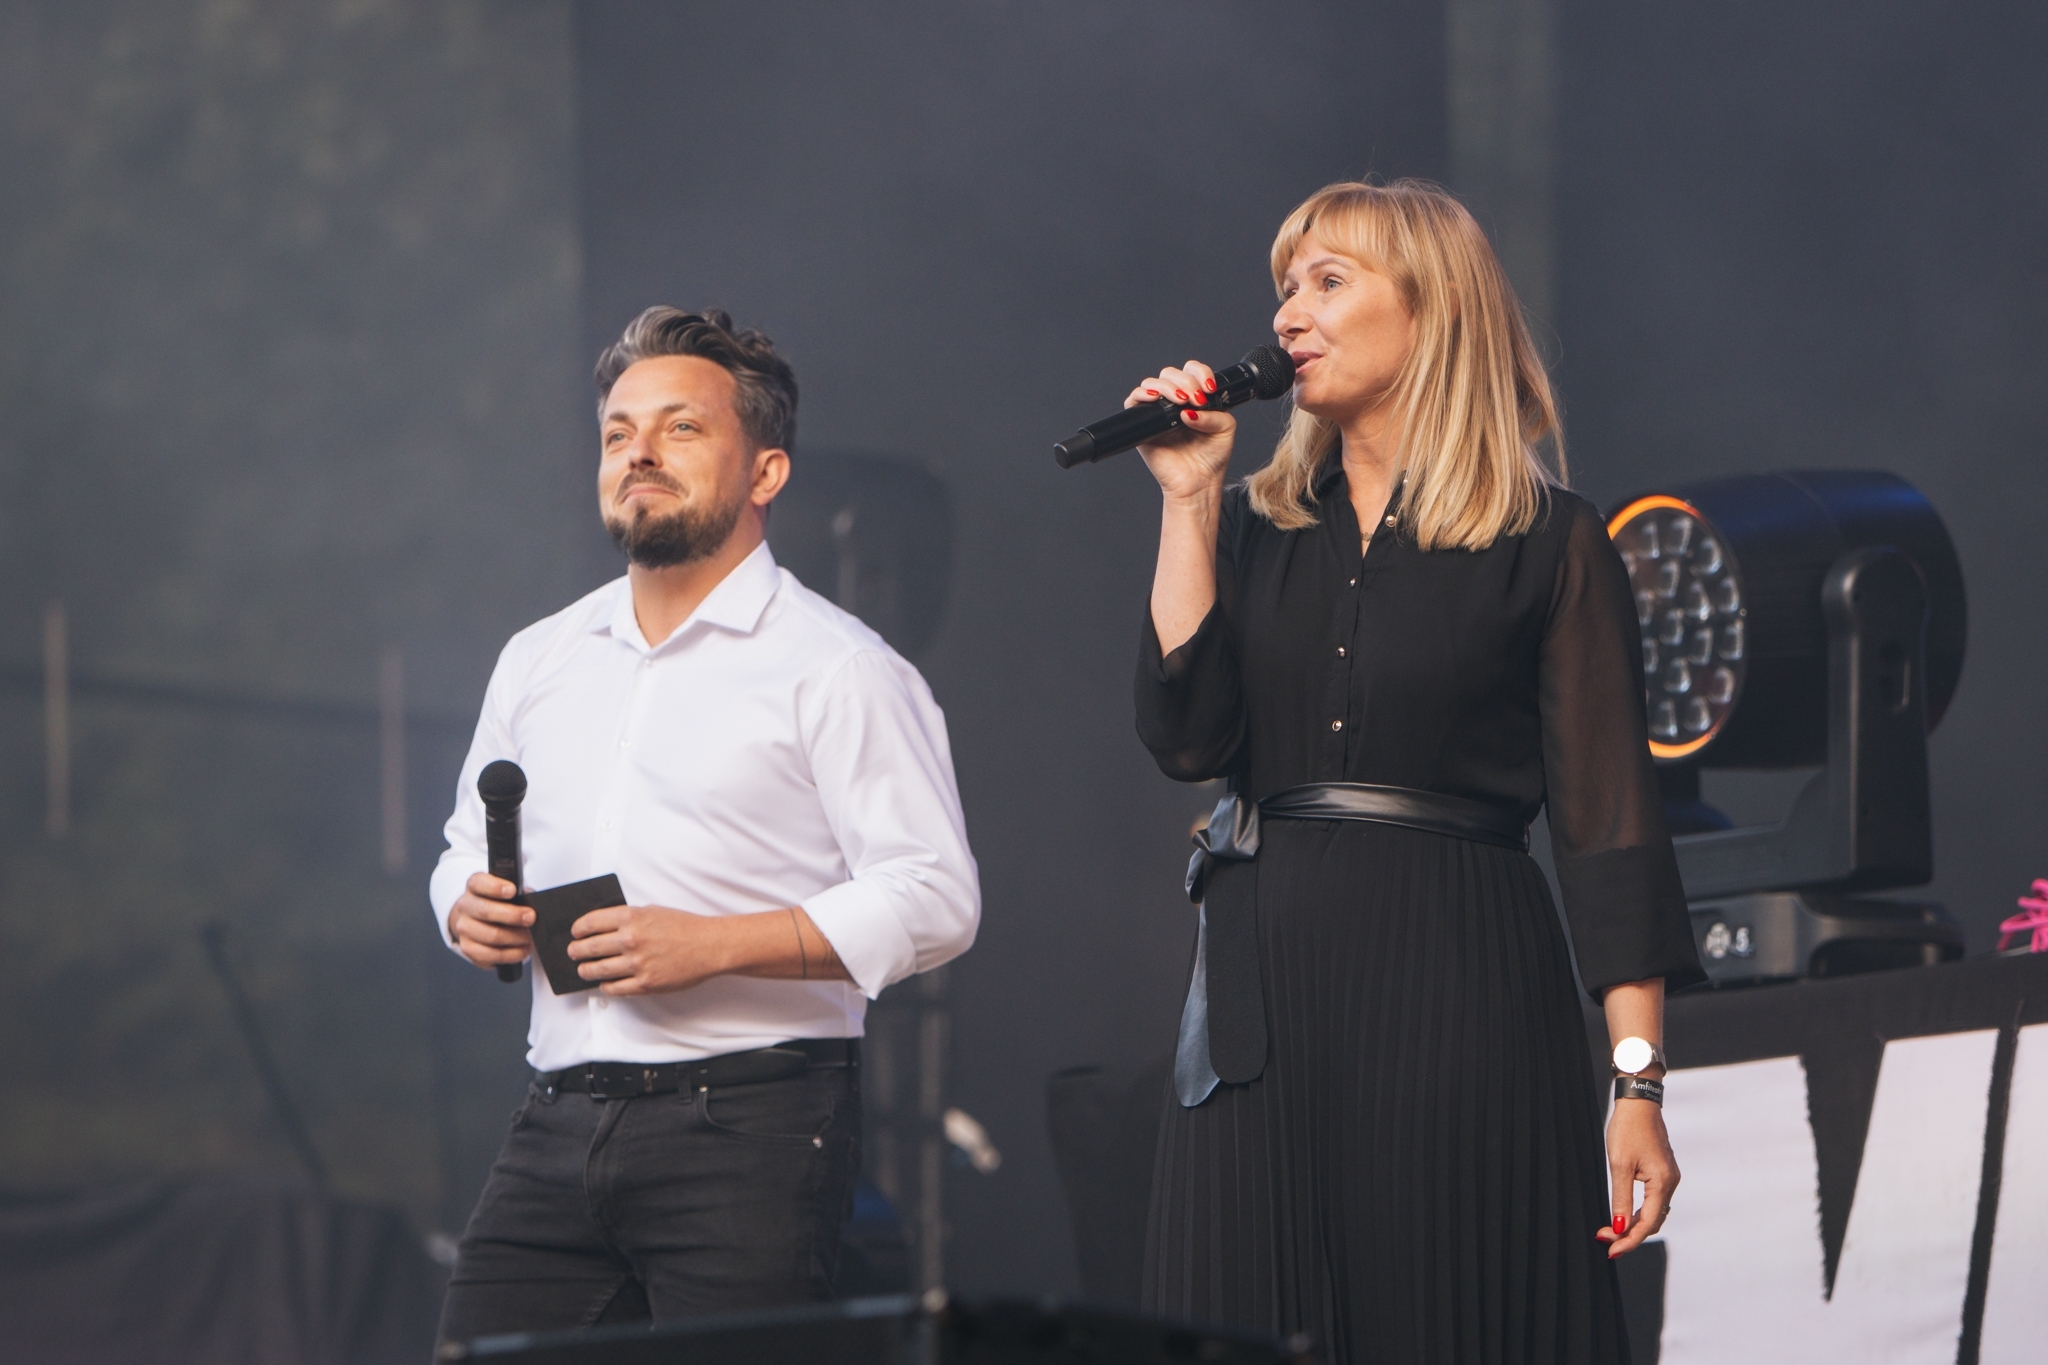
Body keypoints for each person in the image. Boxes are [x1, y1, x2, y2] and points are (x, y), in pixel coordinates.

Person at [1130, 181, 1704, 1363]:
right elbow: (1184, 736)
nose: (1287, 314)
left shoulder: (1548, 542)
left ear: (1431, 307)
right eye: (1284, 287)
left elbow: (1607, 826)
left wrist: (1636, 1085)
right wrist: (1187, 502)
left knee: (1450, 1307)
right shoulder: (1252, 529)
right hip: (1261, 1003)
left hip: (1460, 988)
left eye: (1327, 281)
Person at [428, 307, 979, 1343]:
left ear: (767, 472)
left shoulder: (840, 667)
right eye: (617, 432)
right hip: (556, 1115)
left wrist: (712, 946)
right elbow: (463, 843)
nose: (637, 451)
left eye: (679, 427)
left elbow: (936, 898)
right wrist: (464, 907)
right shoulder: (539, 658)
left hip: (751, 1127)